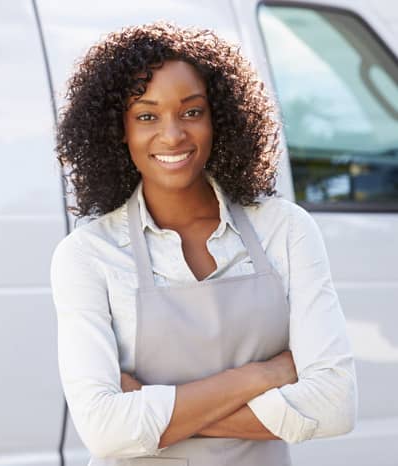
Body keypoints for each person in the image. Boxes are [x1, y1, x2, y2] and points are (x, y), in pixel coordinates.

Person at [50, 21, 357, 466]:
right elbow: (103, 431)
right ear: (119, 130)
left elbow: (334, 405)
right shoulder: (87, 256)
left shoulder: (285, 230)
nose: (173, 135)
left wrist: (154, 412)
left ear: (221, 118)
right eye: (147, 116)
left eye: (191, 111)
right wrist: (265, 374)